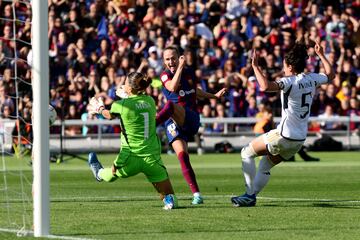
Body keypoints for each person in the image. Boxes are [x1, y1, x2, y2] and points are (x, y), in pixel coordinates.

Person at [231, 40, 335, 207]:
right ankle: (250, 196)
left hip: (284, 135)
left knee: (246, 152)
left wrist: (256, 67)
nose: (283, 68)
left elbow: (264, 86)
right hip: (299, 140)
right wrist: (321, 55)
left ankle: (249, 195)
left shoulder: (288, 82)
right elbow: (331, 75)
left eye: (285, 66)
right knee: (265, 164)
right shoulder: (312, 79)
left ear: (291, 67)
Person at [87, 72, 177, 210]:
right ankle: (169, 201)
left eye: (125, 83)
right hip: (152, 158)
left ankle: (99, 174)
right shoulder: (150, 101)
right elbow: (137, 103)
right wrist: (128, 96)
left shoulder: (121, 105)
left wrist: (100, 109)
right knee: (170, 196)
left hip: (130, 159)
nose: (122, 85)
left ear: (129, 88)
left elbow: (108, 115)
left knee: (111, 173)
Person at [156, 46, 226, 205]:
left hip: (191, 118)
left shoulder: (188, 73)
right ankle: (197, 195)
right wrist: (179, 68)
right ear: (164, 61)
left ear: (179, 57)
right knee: (182, 157)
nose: (171, 62)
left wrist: (213, 96)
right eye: (167, 59)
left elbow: (195, 91)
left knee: (171, 107)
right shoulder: (164, 76)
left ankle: (152, 124)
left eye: (173, 58)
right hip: (172, 122)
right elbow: (172, 87)